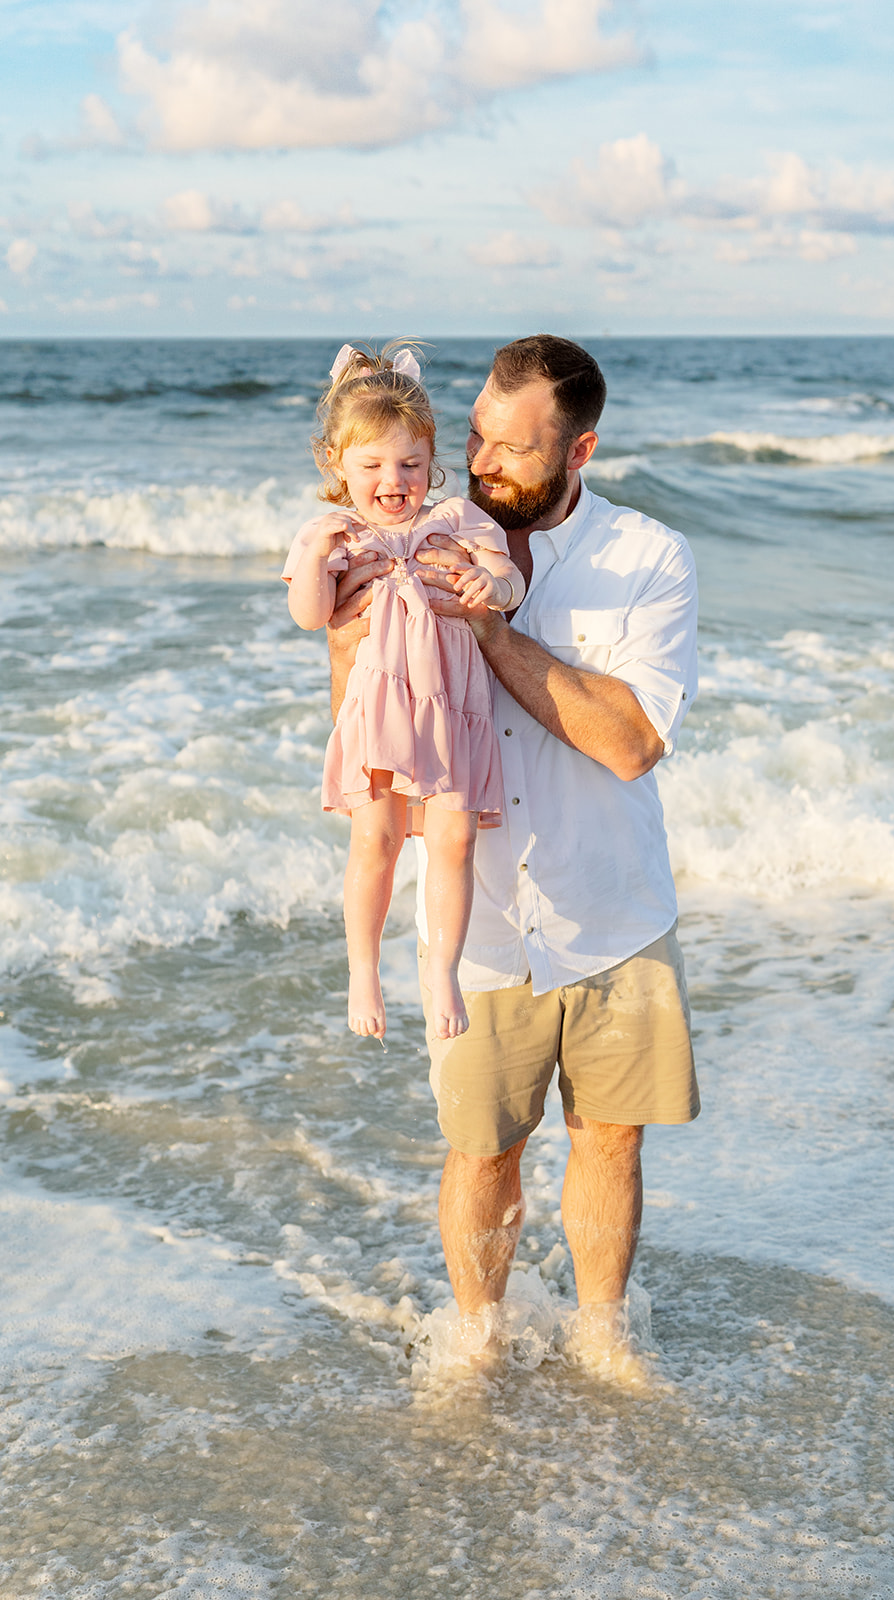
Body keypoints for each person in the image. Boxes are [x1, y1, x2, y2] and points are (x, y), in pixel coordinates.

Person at [327, 335, 699, 1369]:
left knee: (610, 1136)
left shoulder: (647, 558)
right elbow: (365, 733)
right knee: (482, 1147)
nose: (482, 466)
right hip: (480, 920)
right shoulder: (421, 537)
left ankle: (602, 1337)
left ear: (579, 451)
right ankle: (478, 1343)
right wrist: (348, 637)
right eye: (476, 438)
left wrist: (491, 631)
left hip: (612, 907)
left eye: (515, 450)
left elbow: (630, 741)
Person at [283, 342, 525, 1042]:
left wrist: (491, 584)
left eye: (410, 464)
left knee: (453, 839)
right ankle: (362, 970)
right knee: (377, 838)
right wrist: (318, 561)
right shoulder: (334, 533)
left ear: (430, 459)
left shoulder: (456, 520)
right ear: (337, 463)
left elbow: (509, 581)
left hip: (452, 710)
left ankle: (442, 971)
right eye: (372, 466)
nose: (394, 481)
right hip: (378, 710)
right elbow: (310, 615)